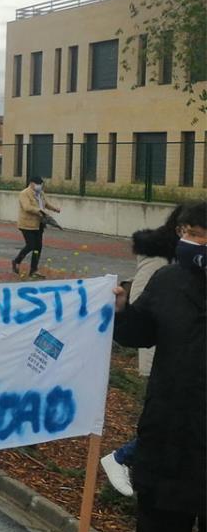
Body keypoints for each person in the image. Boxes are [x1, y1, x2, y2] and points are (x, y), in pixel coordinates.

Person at [110, 201, 205, 532]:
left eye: (201, 235)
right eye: (188, 234)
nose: (193, 242)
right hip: (169, 442)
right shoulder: (167, 280)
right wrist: (121, 313)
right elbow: (140, 334)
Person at [100, 204, 185, 497]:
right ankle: (124, 458)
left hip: (186, 354)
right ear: (182, 229)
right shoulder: (160, 258)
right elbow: (141, 305)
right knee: (168, 420)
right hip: (164, 353)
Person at [12, 175, 60, 278]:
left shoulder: (40, 193)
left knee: (38, 247)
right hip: (26, 224)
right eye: (38, 184)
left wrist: (54, 208)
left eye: (41, 185)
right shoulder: (24, 194)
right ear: (32, 183)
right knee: (31, 245)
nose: (40, 186)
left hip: (39, 224)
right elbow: (27, 207)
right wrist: (39, 211)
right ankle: (16, 261)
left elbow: (45, 204)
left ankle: (33, 270)